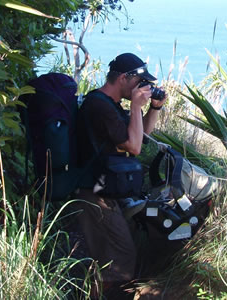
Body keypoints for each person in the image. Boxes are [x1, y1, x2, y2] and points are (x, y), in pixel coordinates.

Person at [75, 53, 167, 298]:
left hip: (104, 189)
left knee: (110, 255)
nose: (142, 87)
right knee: (120, 255)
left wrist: (154, 108)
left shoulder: (111, 106)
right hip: (94, 192)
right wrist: (136, 106)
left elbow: (141, 134)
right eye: (139, 81)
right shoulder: (98, 105)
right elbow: (134, 147)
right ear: (124, 78)